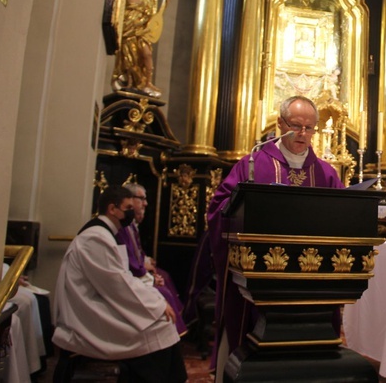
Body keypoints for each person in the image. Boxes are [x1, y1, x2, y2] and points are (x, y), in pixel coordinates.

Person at [207, 95, 344, 380]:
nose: (303, 134)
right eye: (296, 126)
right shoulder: (253, 163)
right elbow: (219, 208)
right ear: (280, 123)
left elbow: (342, 219)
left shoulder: (327, 173)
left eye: (310, 128)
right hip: (259, 272)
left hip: (309, 276)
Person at [52, 186, 186, 382]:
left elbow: (120, 277)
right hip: (87, 315)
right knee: (161, 327)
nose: (132, 211)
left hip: (96, 304)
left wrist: (154, 300)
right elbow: (117, 285)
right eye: (128, 207)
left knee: (161, 326)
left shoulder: (104, 234)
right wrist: (156, 304)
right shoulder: (95, 238)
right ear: (112, 209)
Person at [117, 182, 187, 335]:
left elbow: (136, 255)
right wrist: (150, 278)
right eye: (141, 199)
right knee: (163, 292)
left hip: (135, 277)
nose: (145, 203)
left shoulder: (129, 225)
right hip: (127, 283)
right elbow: (128, 264)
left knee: (164, 281)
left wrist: (149, 273)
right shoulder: (120, 229)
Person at [112, 0, 171, 98]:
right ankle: (130, 82)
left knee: (147, 55)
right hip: (129, 31)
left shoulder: (144, 0)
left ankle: (147, 82)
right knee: (130, 57)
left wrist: (164, 4)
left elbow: (152, 17)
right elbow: (122, 11)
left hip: (141, 32)